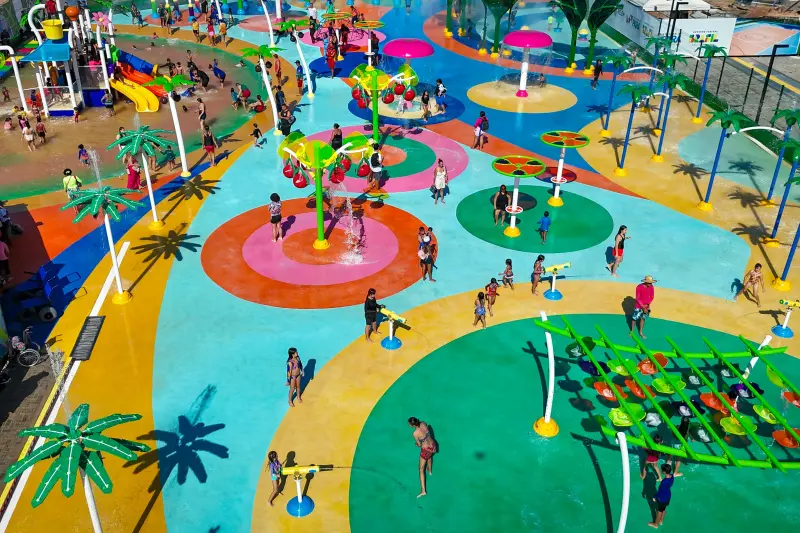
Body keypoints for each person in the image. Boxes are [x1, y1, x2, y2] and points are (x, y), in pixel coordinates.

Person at [408, 417, 437, 498]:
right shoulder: (423, 423)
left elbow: (419, 444)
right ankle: (430, 470)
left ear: (412, 425)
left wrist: (416, 444)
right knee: (430, 456)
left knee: (421, 469)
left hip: (426, 450)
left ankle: (423, 491)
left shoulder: (415, 433)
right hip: (433, 445)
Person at [649, 463, 674, 529]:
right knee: (664, 509)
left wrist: (655, 497)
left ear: (664, 472)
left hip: (662, 498)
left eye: (662, 470)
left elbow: (660, 492)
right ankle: (661, 521)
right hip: (668, 496)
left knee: (659, 511)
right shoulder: (672, 476)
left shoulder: (664, 482)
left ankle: (656, 524)